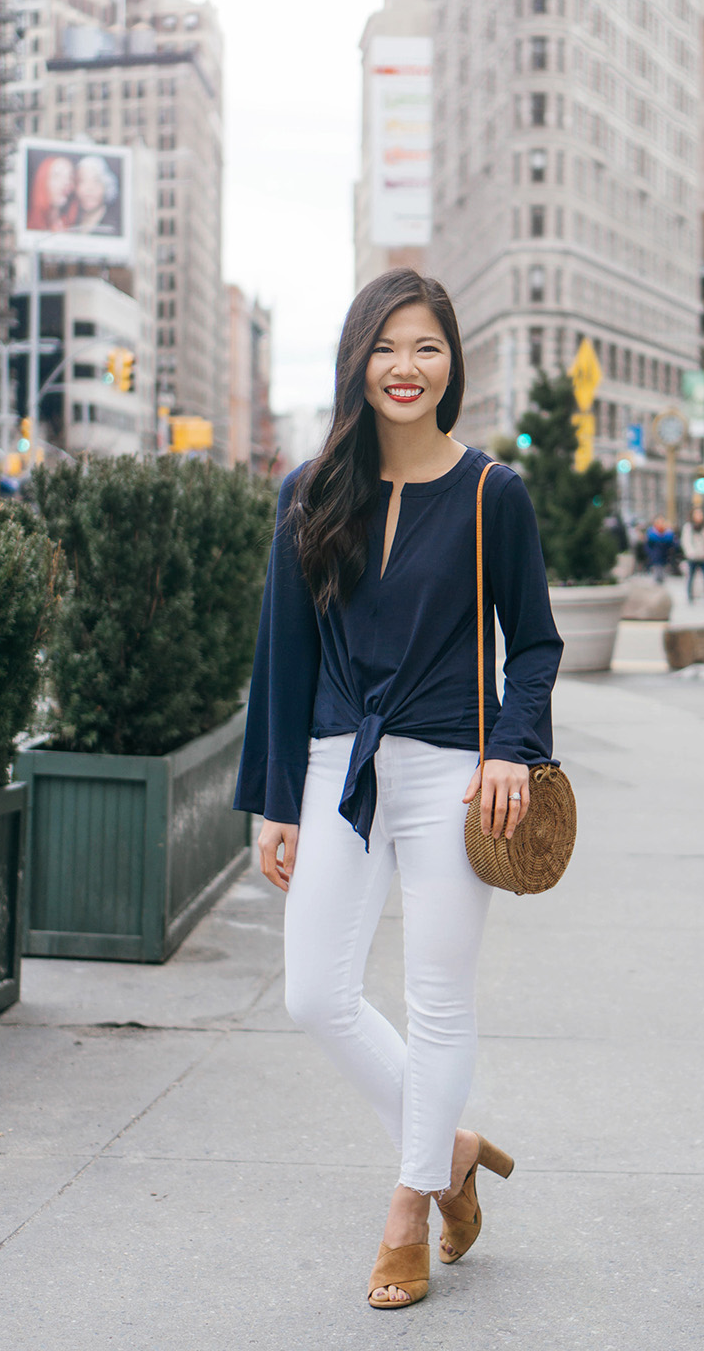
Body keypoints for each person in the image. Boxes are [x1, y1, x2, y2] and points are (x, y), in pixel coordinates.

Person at [233, 269, 563, 1311]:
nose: (405, 367)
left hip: (458, 779)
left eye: (425, 347)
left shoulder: (489, 493)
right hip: (339, 768)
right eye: (386, 347)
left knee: (437, 995)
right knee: (314, 993)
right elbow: (280, 657)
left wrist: (511, 747)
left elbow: (538, 645)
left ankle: (409, 1203)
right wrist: (272, 800)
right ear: (356, 361)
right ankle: (452, 1144)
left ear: (451, 362)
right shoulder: (309, 491)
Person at [25, 154, 78, 232]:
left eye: (70, 177)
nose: (66, 182)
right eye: (57, 176)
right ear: (43, 181)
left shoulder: (72, 223)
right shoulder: (27, 221)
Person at [74, 154, 122, 235]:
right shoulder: (71, 220)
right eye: (82, 181)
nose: (89, 188)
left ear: (106, 186)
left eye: (96, 181)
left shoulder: (113, 229)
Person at [680, 507, 704, 603]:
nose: (699, 516)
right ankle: (690, 596)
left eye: (700, 514)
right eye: (697, 514)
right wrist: (690, 553)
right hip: (693, 557)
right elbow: (686, 541)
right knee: (691, 577)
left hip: (703, 556)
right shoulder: (688, 527)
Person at [646, 515, 674, 584]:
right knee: (657, 574)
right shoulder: (651, 533)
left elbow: (671, 544)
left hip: (665, 558)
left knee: (663, 576)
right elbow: (648, 546)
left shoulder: (668, 533)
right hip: (655, 558)